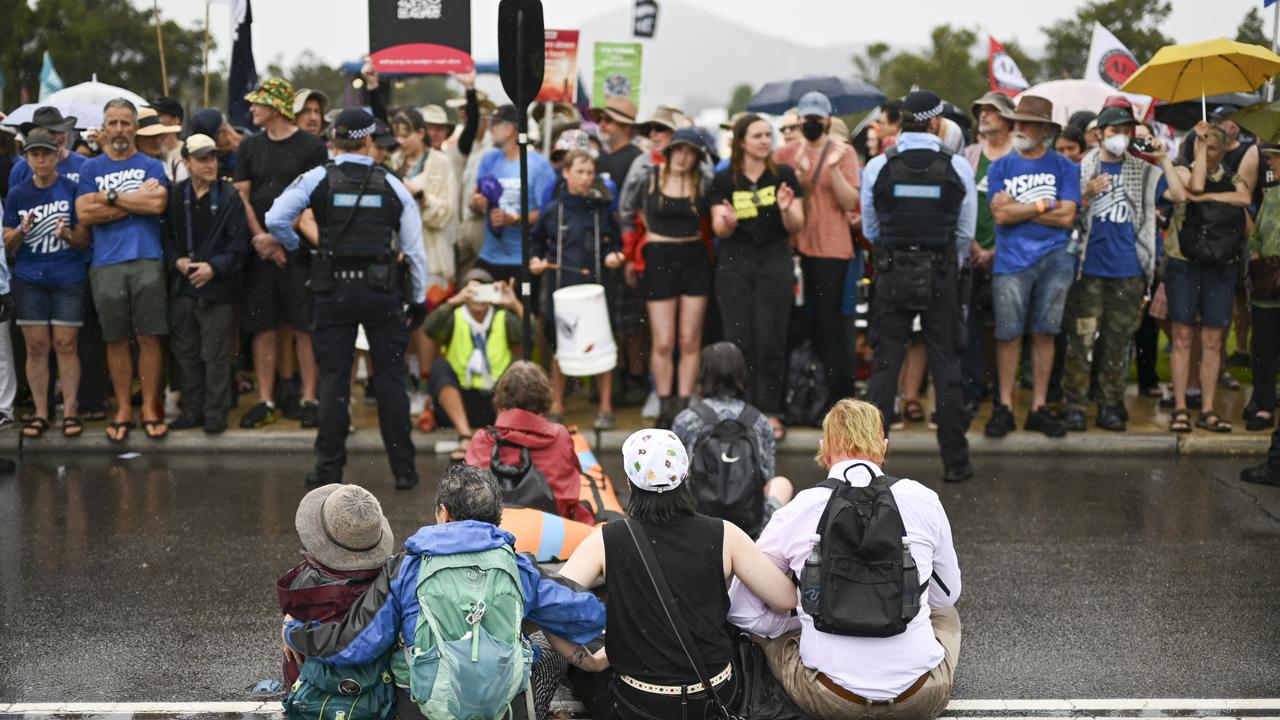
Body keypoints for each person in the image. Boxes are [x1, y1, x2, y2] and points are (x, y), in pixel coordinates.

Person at [283, 464, 608, 720]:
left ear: (443, 513)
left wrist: (296, 633)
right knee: (543, 640)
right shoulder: (519, 569)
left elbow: (356, 645)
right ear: (497, 518)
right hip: (504, 712)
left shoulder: (406, 569)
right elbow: (585, 615)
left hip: (422, 712)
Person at [728, 399, 962, 720]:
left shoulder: (799, 508)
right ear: (883, 448)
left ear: (824, 451)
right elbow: (946, 595)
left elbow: (742, 609)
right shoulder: (924, 499)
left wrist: (798, 621)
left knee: (761, 630)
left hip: (831, 699)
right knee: (947, 615)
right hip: (919, 699)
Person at [556, 429, 798, 720]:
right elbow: (785, 599)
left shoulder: (606, 539)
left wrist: (590, 663)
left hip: (639, 703)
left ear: (630, 483)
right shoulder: (724, 534)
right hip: (716, 695)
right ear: (685, 478)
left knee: (586, 663)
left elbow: (550, 603)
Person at [265, 107, 429, 490]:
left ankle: (328, 470)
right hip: (381, 293)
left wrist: (300, 249)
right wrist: (417, 298)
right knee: (390, 380)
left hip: (333, 290)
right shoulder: (393, 183)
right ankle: (403, 470)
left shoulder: (317, 177)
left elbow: (275, 218)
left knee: (335, 382)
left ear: (333, 139)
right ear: (369, 139)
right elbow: (414, 250)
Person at [861, 90, 977, 483]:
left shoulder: (879, 166)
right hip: (942, 272)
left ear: (903, 121)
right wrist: (938, 255)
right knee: (946, 365)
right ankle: (956, 463)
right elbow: (965, 233)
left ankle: (868, 466)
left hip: (893, 271)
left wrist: (898, 251)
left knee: (886, 367)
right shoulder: (957, 166)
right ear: (935, 122)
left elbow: (870, 228)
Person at [1060, 106, 1186, 433]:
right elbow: (1067, 212)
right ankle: (1074, 404)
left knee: (1118, 342)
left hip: (1128, 272)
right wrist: (1087, 193)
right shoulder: (1080, 168)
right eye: (1114, 130)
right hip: (1087, 270)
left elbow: (1180, 195)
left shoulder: (1143, 171)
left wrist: (1164, 159)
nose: (1120, 136)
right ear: (1099, 133)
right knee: (1082, 339)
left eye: (1126, 130)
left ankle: (1110, 404)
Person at [984, 95, 1080, 439]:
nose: (1018, 128)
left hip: (1056, 259)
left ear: (1044, 130)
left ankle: (1038, 406)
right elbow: (1000, 215)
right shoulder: (1000, 167)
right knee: (1007, 334)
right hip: (1010, 261)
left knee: (1045, 331)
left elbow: (1068, 215)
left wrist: (1020, 207)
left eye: (1025, 123)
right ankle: (1005, 406)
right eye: (1016, 121)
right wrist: (1044, 203)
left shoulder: (1065, 167)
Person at [235, 78, 329, 430]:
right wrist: (261, 236)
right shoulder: (250, 146)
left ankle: (309, 397)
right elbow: (242, 195)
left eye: (258, 104)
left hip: (298, 252)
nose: (252, 109)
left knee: (305, 327)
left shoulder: (311, 146)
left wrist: (280, 237)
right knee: (263, 327)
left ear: (275, 107)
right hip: (261, 252)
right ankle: (266, 399)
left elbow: (314, 200)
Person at [75, 98, 171, 442]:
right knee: (115, 340)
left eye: (125, 123)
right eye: (113, 123)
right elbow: (84, 213)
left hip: (147, 260)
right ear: (104, 128)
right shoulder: (90, 168)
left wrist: (109, 197)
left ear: (135, 128)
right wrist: (133, 201)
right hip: (106, 264)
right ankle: (123, 410)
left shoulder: (152, 164)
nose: (119, 129)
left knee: (148, 337)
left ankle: (148, 406)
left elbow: (157, 203)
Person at [709, 114, 805, 441]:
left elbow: (796, 225)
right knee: (738, 340)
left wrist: (786, 208)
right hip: (735, 260)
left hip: (773, 258)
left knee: (771, 338)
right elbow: (717, 228)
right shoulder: (725, 178)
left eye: (768, 135)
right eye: (758, 135)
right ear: (741, 141)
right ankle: (740, 410)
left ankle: (771, 411)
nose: (765, 141)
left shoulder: (784, 175)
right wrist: (728, 222)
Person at [276, 483, 395, 716]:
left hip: (310, 691)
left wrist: (290, 629)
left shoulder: (303, 584)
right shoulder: (391, 579)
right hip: (377, 696)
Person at [1163, 122, 1251, 434]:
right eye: (1203, 146)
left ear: (1225, 149)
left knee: (1213, 340)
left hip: (1220, 265)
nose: (1208, 153)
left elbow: (1243, 199)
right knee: (1183, 336)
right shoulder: (1183, 170)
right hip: (1184, 263)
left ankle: (1209, 407)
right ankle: (1181, 406)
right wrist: (1198, 152)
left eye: (1213, 148)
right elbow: (1195, 185)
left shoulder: (1233, 176)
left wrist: (1204, 201)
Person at [2, 128, 88, 439]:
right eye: (34, 154)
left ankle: (71, 411)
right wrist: (22, 230)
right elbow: (7, 243)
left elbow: (83, 238)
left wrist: (67, 234)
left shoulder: (71, 188)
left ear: (56, 156)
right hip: (29, 279)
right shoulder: (18, 193)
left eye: (46, 154)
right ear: (26, 157)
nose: (40, 160)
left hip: (67, 275)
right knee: (36, 347)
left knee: (66, 345)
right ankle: (40, 412)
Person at [161, 134, 249, 435]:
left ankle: (215, 413)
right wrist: (177, 261)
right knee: (185, 353)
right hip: (183, 287)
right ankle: (192, 409)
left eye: (213, 157)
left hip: (217, 288)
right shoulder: (175, 194)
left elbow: (239, 245)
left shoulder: (228, 196)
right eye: (202, 158)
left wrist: (214, 267)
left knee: (216, 354)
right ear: (186, 162)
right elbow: (167, 238)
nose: (211, 164)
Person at [529, 149, 624, 430]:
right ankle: (557, 404)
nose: (585, 178)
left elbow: (613, 243)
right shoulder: (552, 210)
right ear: (566, 173)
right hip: (563, 291)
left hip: (595, 291)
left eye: (589, 173)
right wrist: (536, 261)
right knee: (562, 349)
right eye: (579, 172)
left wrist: (614, 255)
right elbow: (536, 243)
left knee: (602, 347)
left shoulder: (602, 208)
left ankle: (605, 407)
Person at [777, 91, 862, 403]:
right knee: (795, 324)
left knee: (829, 324)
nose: (811, 124)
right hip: (796, 244)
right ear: (798, 120)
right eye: (806, 120)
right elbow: (783, 195)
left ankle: (835, 396)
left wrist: (836, 169)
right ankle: (796, 391)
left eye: (816, 119)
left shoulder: (844, 152)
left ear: (827, 120)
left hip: (831, 247)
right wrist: (797, 174)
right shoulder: (784, 153)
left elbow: (851, 202)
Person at [626, 128, 712, 427]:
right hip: (659, 255)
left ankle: (685, 402)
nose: (683, 157)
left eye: (690, 152)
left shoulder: (703, 181)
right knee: (663, 341)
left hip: (693, 256)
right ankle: (664, 405)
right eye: (679, 150)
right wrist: (632, 251)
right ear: (670, 150)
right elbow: (626, 210)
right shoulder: (649, 177)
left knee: (689, 339)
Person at [672, 341, 794, 523]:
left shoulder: (686, 420)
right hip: (749, 522)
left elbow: (677, 477)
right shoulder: (758, 420)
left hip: (699, 520)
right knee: (782, 484)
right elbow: (766, 477)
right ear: (742, 373)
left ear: (703, 373)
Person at [466, 360, 595, 524]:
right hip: (552, 530)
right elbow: (570, 495)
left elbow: (468, 498)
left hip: (494, 530)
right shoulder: (560, 437)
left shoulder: (481, 440)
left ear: (501, 398)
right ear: (545, 400)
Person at [423, 268, 530, 461]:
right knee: (440, 366)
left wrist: (513, 302)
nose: (478, 297)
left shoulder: (502, 317)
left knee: (518, 366)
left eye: (484, 291)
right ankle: (465, 436)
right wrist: (453, 301)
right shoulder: (454, 316)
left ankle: (500, 437)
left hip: (495, 405)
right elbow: (430, 329)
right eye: (472, 291)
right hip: (458, 406)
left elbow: (533, 333)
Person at [961, 91, 1016, 414]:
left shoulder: (1017, 157)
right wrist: (973, 245)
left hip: (1008, 256)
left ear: (1008, 119)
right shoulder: (969, 154)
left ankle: (1002, 396)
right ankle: (972, 390)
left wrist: (995, 249)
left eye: (991, 111)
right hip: (971, 252)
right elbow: (960, 205)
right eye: (980, 110)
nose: (983, 115)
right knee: (969, 328)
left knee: (1005, 329)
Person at [470, 104, 556, 284]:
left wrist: (514, 219)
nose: (490, 129)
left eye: (494, 124)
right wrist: (478, 203)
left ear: (509, 129)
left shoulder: (539, 166)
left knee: (518, 311)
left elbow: (548, 213)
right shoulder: (489, 158)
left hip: (522, 258)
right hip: (489, 255)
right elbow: (473, 199)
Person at [1243, 145, 1280, 432]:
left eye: (1275, 157)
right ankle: (1264, 405)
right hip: (1266, 284)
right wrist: (1256, 255)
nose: (1270, 162)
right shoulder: (1270, 193)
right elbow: (1255, 233)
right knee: (1263, 347)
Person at [10, 106, 87, 189]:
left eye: (61, 130)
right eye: (51, 133)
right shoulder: (20, 170)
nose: (58, 137)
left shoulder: (84, 165)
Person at [591, 96, 643, 191]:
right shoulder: (599, 159)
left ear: (626, 126)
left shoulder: (637, 160)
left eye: (608, 119)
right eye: (599, 119)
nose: (602, 124)